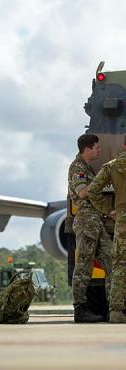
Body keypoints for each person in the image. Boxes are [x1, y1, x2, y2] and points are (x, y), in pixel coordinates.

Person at [68, 133, 112, 322]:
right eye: (97, 147)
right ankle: (80, 309)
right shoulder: (77, 167)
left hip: (96, 222)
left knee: (113, 261)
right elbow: (83, 192)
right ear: (87, 149)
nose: (99, 150)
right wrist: (101, 181)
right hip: (86, 221)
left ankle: (115, 308)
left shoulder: (87, 168)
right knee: (84, 267)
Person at [88, 135, 126, 323]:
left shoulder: (112, 166)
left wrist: (108, 211)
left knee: (120, 265)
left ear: (124, 145)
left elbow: (93, 190)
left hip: (122, 219)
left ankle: (116, 312)